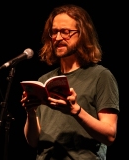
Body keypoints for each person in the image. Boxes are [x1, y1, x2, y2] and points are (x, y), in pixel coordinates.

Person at [20, 4, 119, 160]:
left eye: (65, 32)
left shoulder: (101, 76)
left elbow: (109, 135)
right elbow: (33, 142)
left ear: (82, 34)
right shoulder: (44, 81)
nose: (58, 38)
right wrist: (30, 113)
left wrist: (76, 111)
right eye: (54, 32)